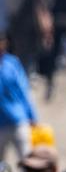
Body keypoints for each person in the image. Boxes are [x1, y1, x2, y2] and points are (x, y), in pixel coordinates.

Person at [0, 31, 38, 162]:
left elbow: (24, 90)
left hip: (17, 120)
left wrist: (32, 116)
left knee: (27, 161)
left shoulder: (12, 63)